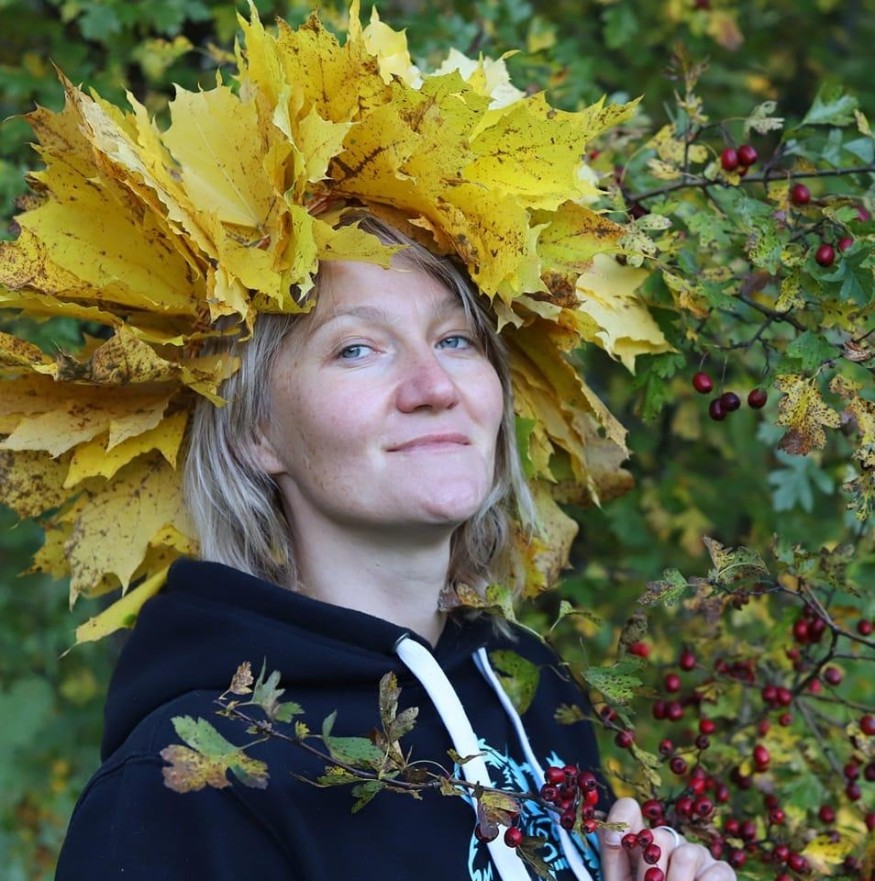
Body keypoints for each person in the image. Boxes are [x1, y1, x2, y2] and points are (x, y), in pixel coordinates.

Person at [0, 6, 734, 881]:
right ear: (255, 430)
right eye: (357, 348)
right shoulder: (190, 784)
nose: (433, 385)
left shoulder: (534, 692)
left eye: (455, 338)